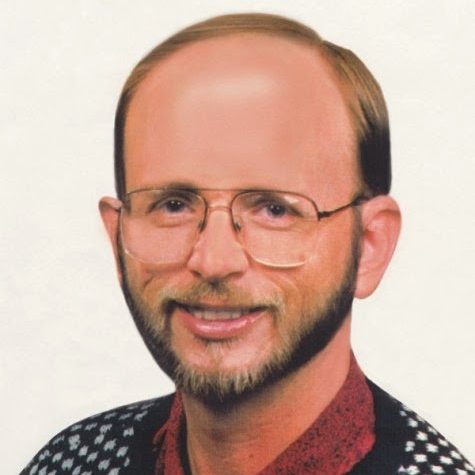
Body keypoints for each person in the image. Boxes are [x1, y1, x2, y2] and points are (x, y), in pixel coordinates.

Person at [21, 12, 473, 475]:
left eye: (274, 210)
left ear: (369, 247)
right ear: (118, 238)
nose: (214, 260)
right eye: (174, 205)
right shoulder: (65, 463)